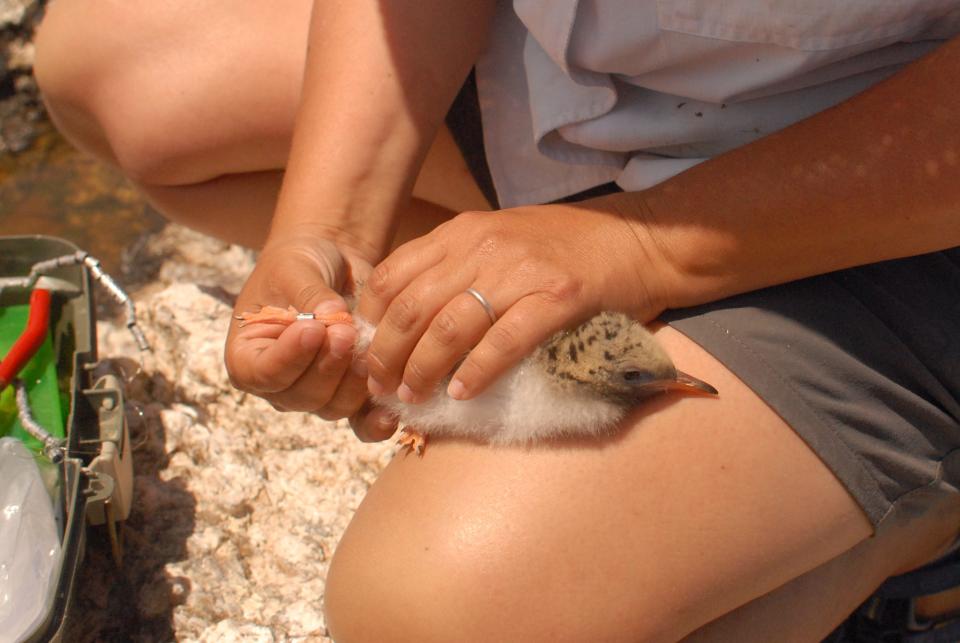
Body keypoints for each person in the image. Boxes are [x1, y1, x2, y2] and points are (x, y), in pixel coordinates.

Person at [33, 1, 960, 640]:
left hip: (891, 194)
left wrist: (638, 251)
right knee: (118, 65)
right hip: (603, 102)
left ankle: (923, 511)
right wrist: (329, 232)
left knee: (432, 611)